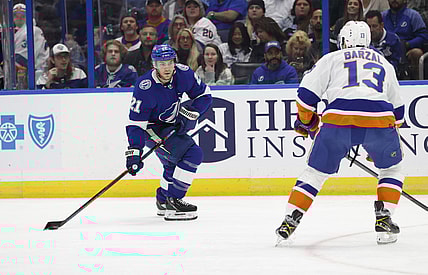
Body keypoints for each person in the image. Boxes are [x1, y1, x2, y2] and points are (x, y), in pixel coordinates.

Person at [275, 21, 405, 246]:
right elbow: (399, 114)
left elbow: (305, 97)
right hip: (379, 119)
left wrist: (309, 122)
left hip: (338, 118)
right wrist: (378, 148)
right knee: (392, 168)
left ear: (343, 41)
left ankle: (290, 219)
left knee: (314, 173)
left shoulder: (331, 58)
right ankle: (385, 217)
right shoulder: (385, 63)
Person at [125, 44, 212, 221]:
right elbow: (135, 124)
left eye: (169, 62)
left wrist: (191, 113)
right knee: (192, 153)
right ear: (154, 65)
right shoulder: (144, 87)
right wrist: (134, 152)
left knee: (173, 164)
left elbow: (204, 95)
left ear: (174, 62)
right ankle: (175, 201)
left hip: (170, 125)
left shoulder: (184, 74)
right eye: (161, 63)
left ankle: (164, 200)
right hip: (151, 128)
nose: (166, 67)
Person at [382, 0, 428, 79]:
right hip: (386, 49)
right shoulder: (382, 16)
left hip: (407, 50)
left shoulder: (413, 15)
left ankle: (416, 83)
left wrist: (408, 44)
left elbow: (423, 36)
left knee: (416, 53)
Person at [13, 3, 50, 86]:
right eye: (16, 15)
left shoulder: (32, 31)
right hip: (30, 74)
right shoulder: (19, 32)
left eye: (22, 16)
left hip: (37, 77)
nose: (19, 18)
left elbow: (22, 59)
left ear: (28, 16)